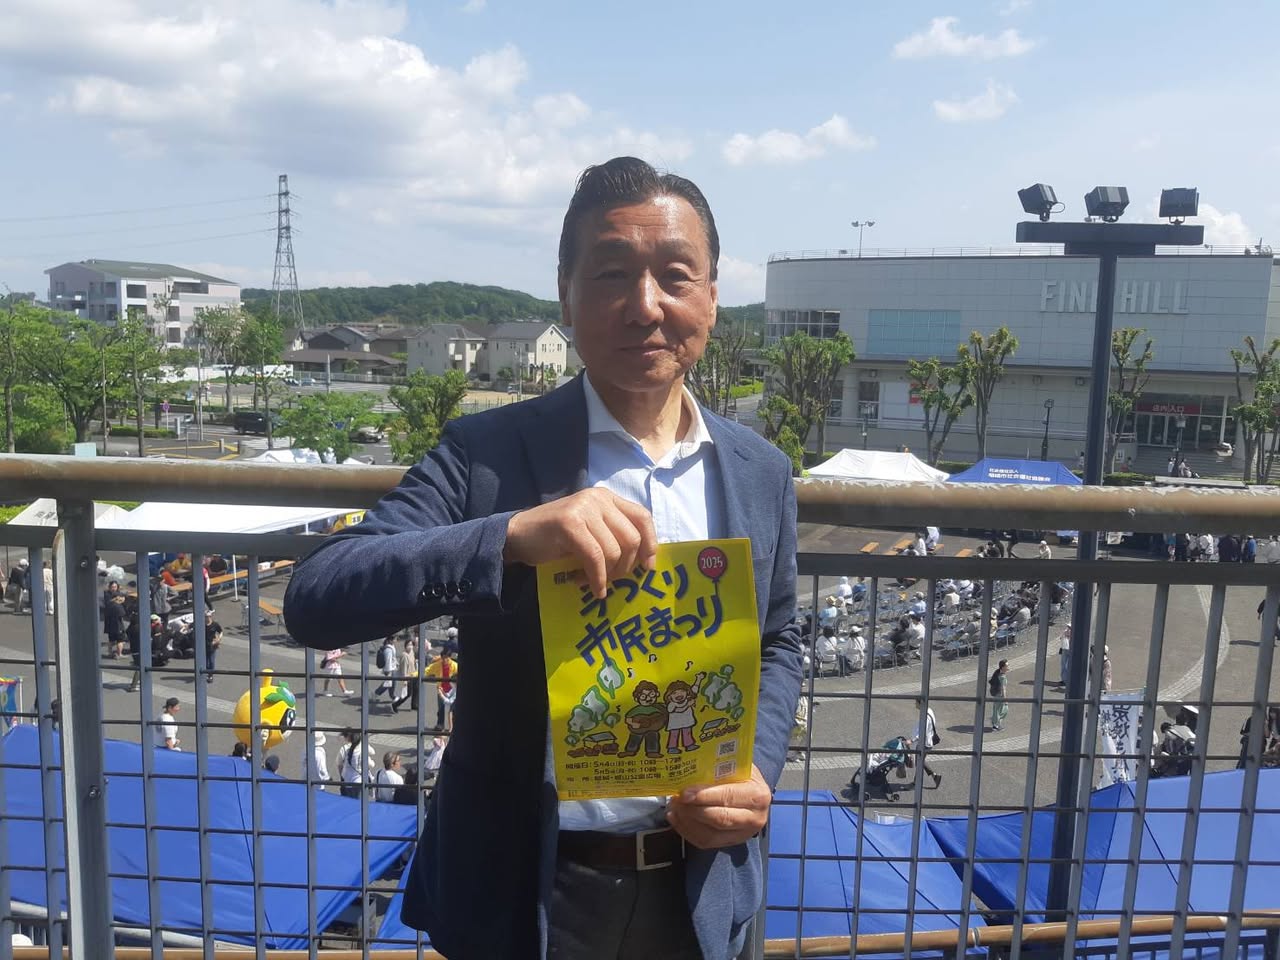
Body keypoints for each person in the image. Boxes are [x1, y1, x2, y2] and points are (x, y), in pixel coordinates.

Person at [283, 156, 804, 960]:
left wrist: (754, 770)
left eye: (675, 276)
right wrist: (511, 536)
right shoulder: (488, 453)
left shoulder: (760, 471)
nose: (645, 305)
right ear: (565, 293)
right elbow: (318, 595)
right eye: (611, 274)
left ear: (711, 294)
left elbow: (777, 639)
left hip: (697, 887)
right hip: (527, 889)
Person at [422, 645, 459, 732]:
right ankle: (440, 725)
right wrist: (414, 674)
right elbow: (427, 670)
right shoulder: (437, 665)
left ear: (450, 657)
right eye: (443, 657)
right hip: (441, 689)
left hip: (452, 689)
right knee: (441, 708)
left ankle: (453, 726)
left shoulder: (455, 665)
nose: (445, 659)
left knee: (453, 710)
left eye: (447, 657)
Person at [911, 697, 942, 788]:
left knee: (919, 762)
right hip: (927, 741)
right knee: (920, 762)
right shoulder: (929, 711)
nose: (915, 704)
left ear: (920, 703)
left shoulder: (925, 716)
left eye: (916, 703)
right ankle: (918, 781)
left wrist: (912, 740)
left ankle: (934, 776)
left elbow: (922, 731)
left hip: (924, 743)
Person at [336, 728, 374, 799]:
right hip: (358, 781)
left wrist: (342, 775)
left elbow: (339, 764)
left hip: (346, 779)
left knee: (345, 800)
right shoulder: (362, 747)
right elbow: (372, 754)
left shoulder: (344, 749)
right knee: (357, 802)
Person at [374, 635, 401, 708]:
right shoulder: (388, 649)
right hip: (390, 669)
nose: (396, 640)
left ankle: (391, 696)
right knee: (389, 683)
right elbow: (388, 661)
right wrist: (388, 672)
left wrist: (396, 663)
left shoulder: (391, 647)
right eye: (395, 639)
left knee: (390, 683)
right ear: (390, 640)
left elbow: (393, 658)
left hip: (392, 668)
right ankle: (378, 694)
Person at [203, 608, 223, 682]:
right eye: (206, 617)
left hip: (212, 646)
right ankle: (207, 672)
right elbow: (193, 625)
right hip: (204, 646)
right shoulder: (201, 624)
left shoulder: (215, 624)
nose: (208, 618)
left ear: (211, 617)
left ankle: (210, 675)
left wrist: (219, 639)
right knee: (206, 662)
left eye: (209, 616)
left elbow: (221, 631)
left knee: (211, 661)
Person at [989, 660, 1010, 731]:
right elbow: (1003, 689)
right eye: (1007, 665)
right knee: (1004, 709)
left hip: (996, 694)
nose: (1008, 667)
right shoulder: (1002, 677)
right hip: (1000, 695)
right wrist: (1005, 699)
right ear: (1003, 667)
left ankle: (995, 721)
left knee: (996, 709)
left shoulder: (997, 672)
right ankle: (996, 725)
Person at [1057, 624, 1071, 688]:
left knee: (1068, 665)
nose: (1068, 629)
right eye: (1068, 627)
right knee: (1064, 665)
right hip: (1065, 649)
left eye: (1069, 627)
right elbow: (1061, 638)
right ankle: (1064, 680)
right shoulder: (1065, 631)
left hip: (1070, 650)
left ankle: (1068, 680)